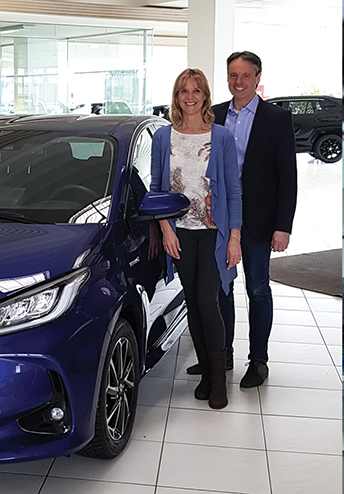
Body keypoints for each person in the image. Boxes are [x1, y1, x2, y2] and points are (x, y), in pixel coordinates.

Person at [186, 51, 296, 388]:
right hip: (220, 219)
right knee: (222, 288)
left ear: (257, 78)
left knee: (257, 289)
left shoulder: (277, 118)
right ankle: (223, 354)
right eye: (233, 75)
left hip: (260, 220)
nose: (239, 82)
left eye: (245, 75)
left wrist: (283, 226)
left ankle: (258, 361)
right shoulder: (214, 115)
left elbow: (287, 177)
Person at [151, 69, 242, 409]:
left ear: (205, 96)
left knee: (208, 300)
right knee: (192, 300)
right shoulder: (164, 137)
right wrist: (165, 228)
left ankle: (218, 380)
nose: (190, 97)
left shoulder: (221, 137)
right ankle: (205, 372)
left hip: (214, 233)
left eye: (196, 91)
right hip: (180, 234)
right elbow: (156, 190)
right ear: (177, 97)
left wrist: (235, 237)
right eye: (183, 91)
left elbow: (233, 192)